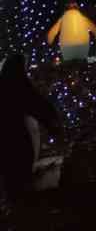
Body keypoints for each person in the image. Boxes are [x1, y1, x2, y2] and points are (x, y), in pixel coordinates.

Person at [0, 53, 61, 202]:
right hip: (18, 134)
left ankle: (13, 195)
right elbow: (39, 106)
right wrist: (53, 126)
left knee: (10, 169)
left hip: (4, 136)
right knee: (21, 161)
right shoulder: (18, 84)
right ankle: (22, 196)